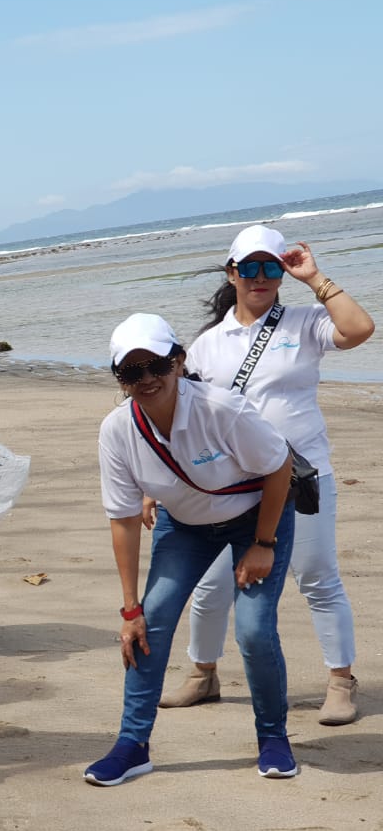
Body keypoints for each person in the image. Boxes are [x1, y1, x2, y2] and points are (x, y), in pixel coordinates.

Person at [157, 226, 375, 725]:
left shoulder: (304, 322)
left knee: (317, 577)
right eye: (249, 268)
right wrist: (161, 486)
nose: (260, 277)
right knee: (212, 585)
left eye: (271, 267)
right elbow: (187, 416)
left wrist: (314, 277)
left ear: (283, 270)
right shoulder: (207, 345)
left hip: (302, 477)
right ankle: (202, 674)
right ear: (232, 272)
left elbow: (359, 330)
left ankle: (341, 681)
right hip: (231, 487)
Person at [87, 313, 296, 787]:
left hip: (256, 517)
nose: (145, 380)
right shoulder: (117, 430)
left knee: (254, 631)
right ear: (119, 379)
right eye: (130, 372)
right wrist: (129, 608)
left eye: (155, 366)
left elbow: (280, 466)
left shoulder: (223, 409)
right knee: (148, 626)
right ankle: (132, 745)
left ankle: (273, 738)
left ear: (179, 361)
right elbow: (122, 520)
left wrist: (263, 544)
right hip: (185, 526)